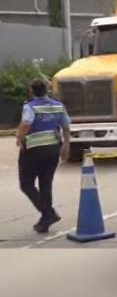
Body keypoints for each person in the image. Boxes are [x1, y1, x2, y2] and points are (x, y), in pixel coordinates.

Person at [16, 78, 70, 233]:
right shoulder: (58, 106)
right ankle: (45, 219)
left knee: (26, 184)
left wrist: (19, 137)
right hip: (53, 149)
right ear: (47, 90)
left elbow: (26, 123)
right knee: (46, 184)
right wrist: (66, 146)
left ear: (31, 90)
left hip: (33, 150)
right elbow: (66, 127)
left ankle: (48, 213)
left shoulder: (30, 106)